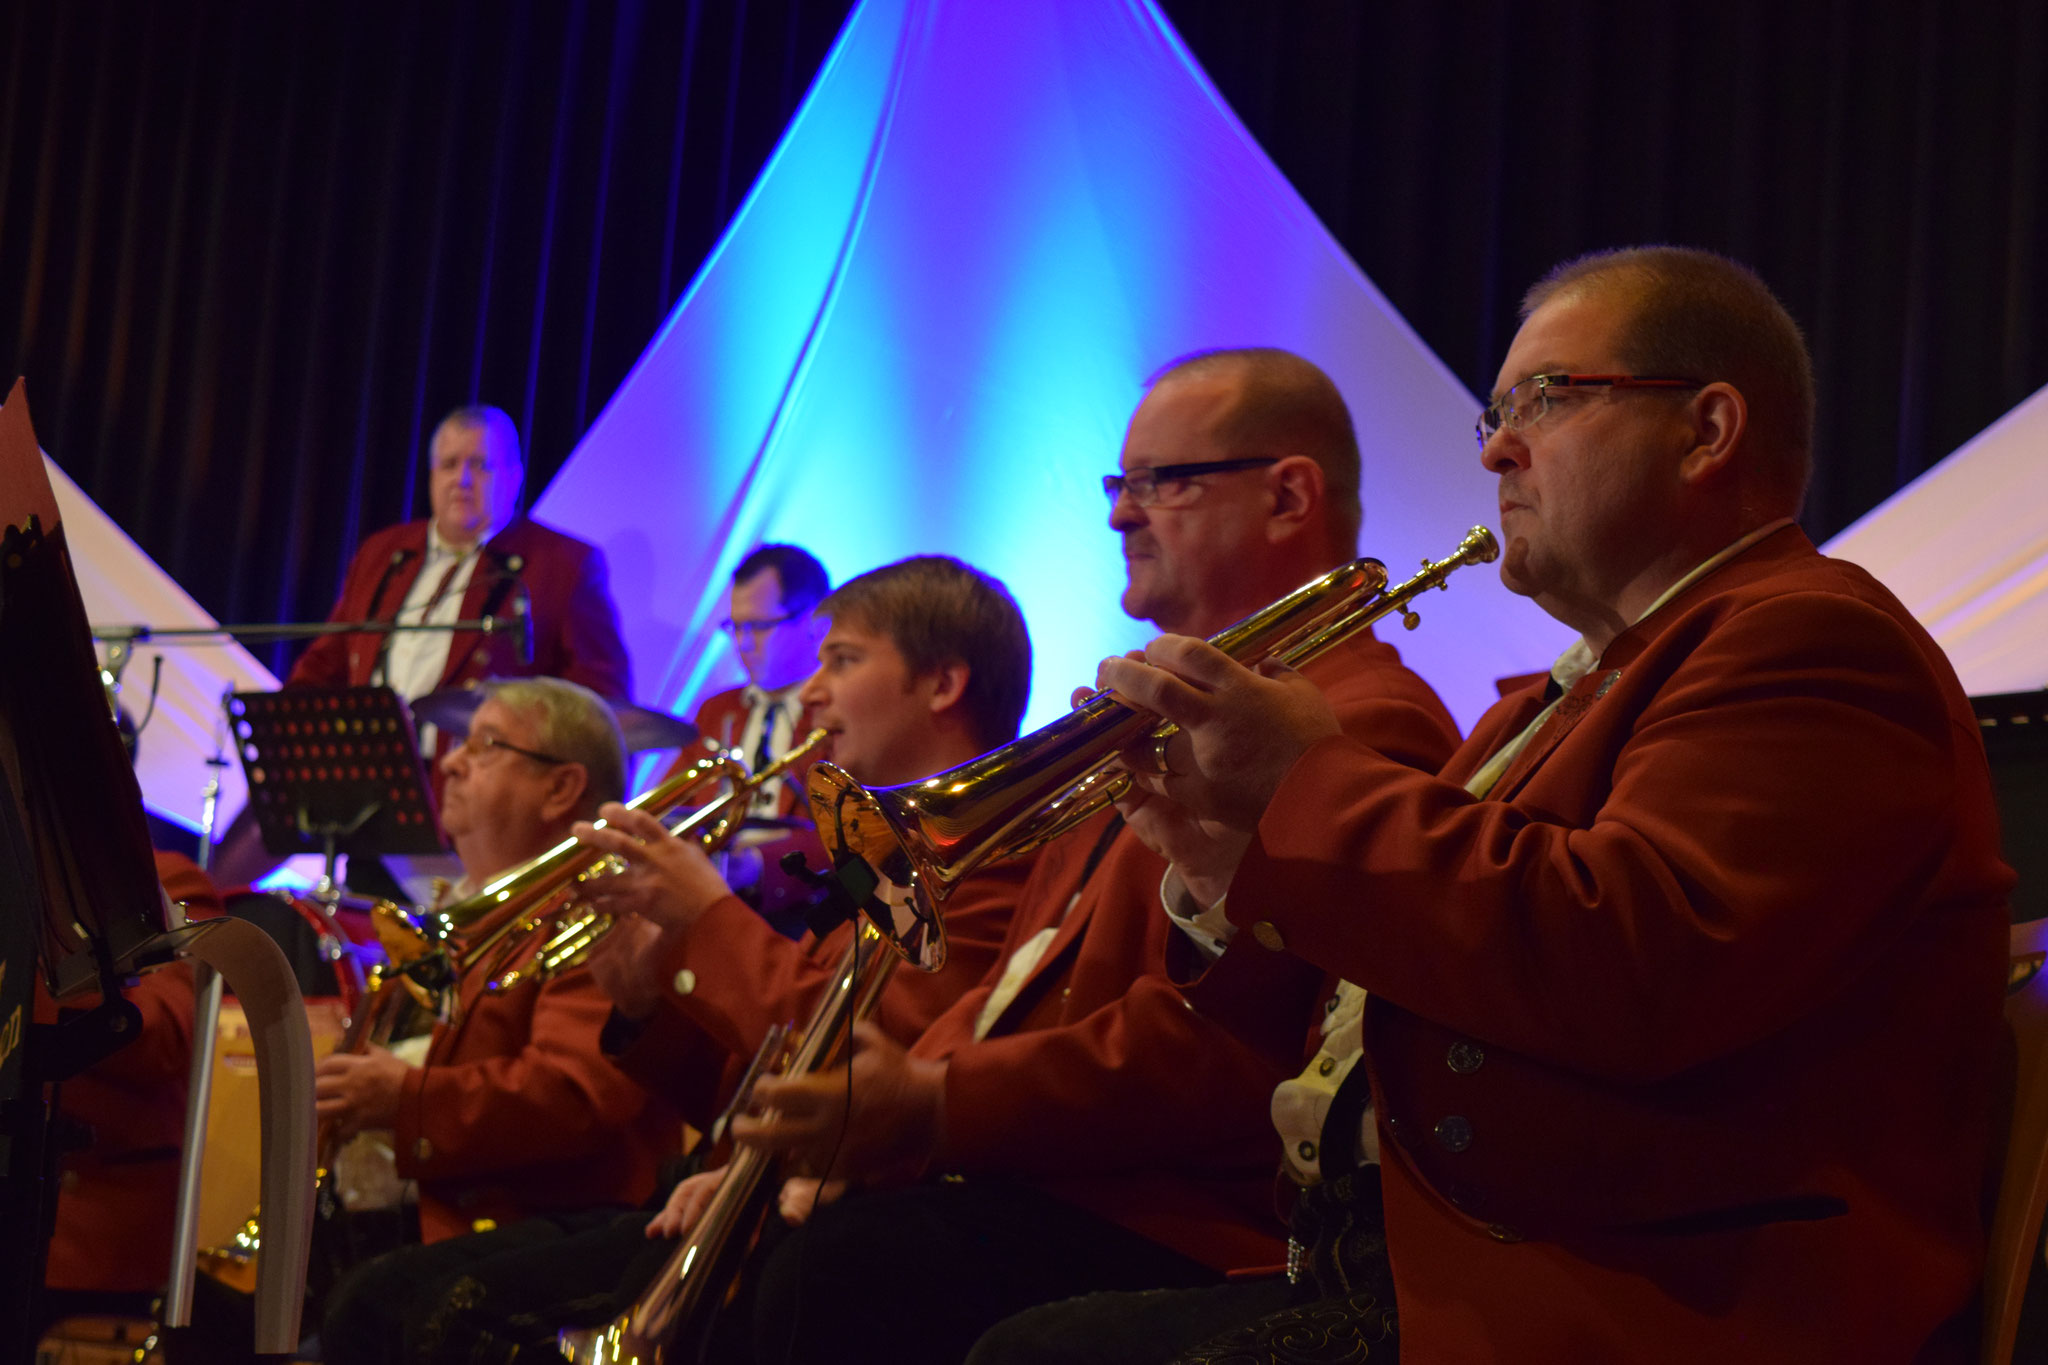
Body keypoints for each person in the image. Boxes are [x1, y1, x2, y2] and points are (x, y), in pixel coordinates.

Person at [1090, 248, 2012, 1362]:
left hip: (1640, 1301)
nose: (1492, 447)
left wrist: (1305, 783)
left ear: (1705, 430)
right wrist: (1221, 864)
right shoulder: (1566, 691)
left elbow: (1637, 961)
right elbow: (1387, 970)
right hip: (1418, 1256)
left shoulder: (1809, 638)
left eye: (1543, 398)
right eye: (1492, 410)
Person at [729, 348, 1463, 1365]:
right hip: (1043, 1181)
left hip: (1170, 1218)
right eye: (1120, 485)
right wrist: (896, 1116)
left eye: (1161, 482)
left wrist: (931, 1109)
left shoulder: (1358, 721)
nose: (1120, 514)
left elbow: (1227, 1050)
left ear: (1286, 495)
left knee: (842, 1274)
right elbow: (1010, 991)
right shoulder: (1124, 726)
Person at [326, 554, 1037, 1364]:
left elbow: (858, 1067)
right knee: (383, 1304)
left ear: (943, 683)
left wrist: (707, 919)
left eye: (842, 660)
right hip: (717, 1197)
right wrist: (642, 1005)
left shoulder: (990, 859)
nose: (808, 689)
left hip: (816, 1225)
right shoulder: (875, 861)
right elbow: (759, 1079)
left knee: (433, 1316)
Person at [319, 678, 680, 1365]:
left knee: (369, 1308)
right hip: (439, 1212)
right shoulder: (465, 913)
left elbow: (576, 1093)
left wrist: (404, 1099)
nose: (450, 761)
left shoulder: (598, 904)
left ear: (560, 787)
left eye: (485, 746)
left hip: (551, 1222)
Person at [286, 405, 631, 703]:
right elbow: (322, 669)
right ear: (432, 475)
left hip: (478, 773)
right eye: (449, 464)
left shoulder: (563, 566)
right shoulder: (384, 553)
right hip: (371, 764)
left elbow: (601, 702)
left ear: (514, 477)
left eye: (480, 465)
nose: (461, 480)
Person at [678, 543, 833, 926]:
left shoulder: (841, 714)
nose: (742, 644)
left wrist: (758, 865)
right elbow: (677, 807)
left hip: (798, 911)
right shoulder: (717, 709)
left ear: (815, 619)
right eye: (734, 626)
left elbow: (857, 837)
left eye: (761, 626)